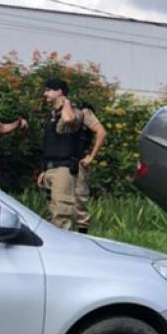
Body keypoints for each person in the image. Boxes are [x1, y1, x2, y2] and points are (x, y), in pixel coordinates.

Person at [37, 78, 80, 230]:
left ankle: (63, 249)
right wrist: (44, 170)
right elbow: (50, 144)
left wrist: (66, 102)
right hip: (50, 168)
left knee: (62, 214)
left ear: (59, 91)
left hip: (63, 169)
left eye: (48, 90)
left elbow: (68, 119)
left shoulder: (71, 111)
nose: (45, 93)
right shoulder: (51, 115)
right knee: (51, 212)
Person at [71, 100, 107, 234]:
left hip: (79, 160)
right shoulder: (59, 112)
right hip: (63, 162)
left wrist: (91, 156)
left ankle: (82, 238)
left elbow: (101, 132)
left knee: (79, 201)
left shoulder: (83, 111)